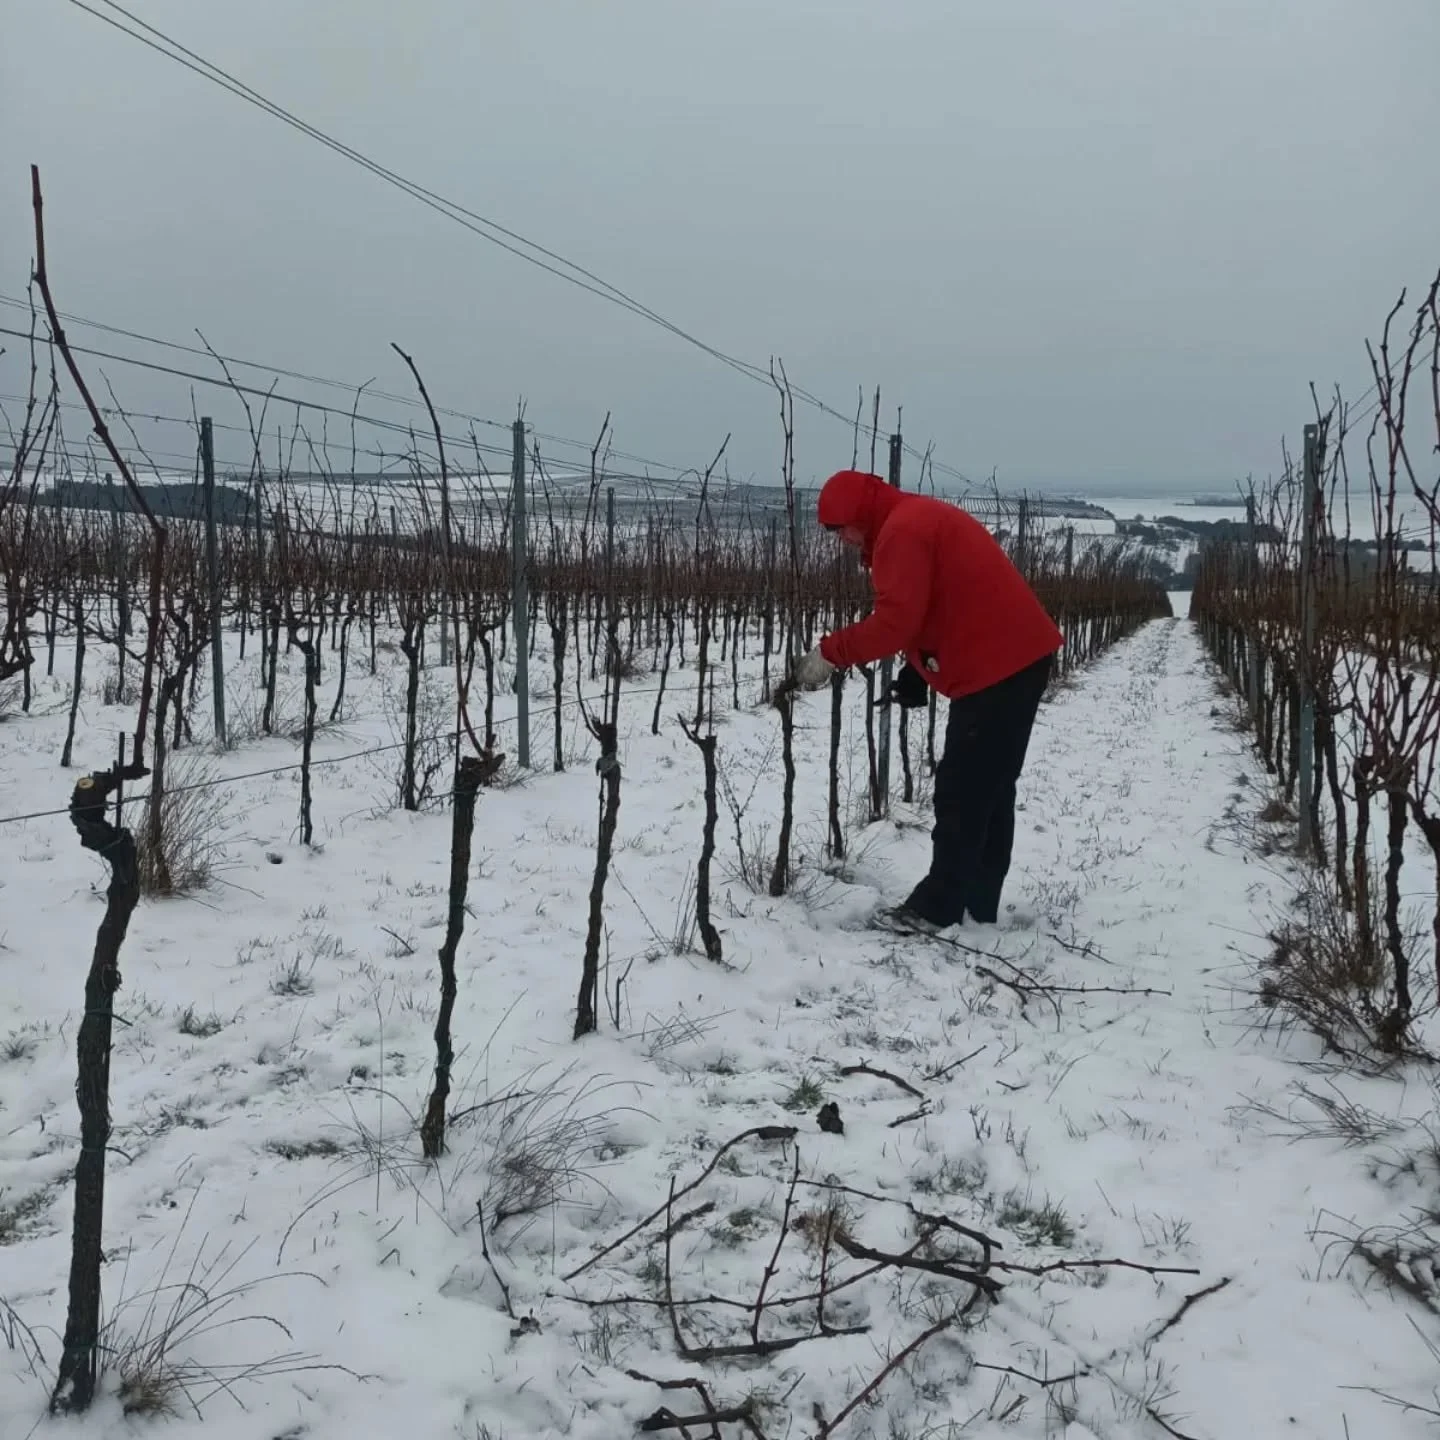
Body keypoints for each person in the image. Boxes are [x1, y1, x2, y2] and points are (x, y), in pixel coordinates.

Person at [791, 468, 1063, 935]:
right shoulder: (910, 519)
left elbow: (896, 622)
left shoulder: (902, 531)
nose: (843, 542)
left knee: (963, 789)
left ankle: (937, 908)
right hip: (1011, 659)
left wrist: (831, 652)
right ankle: (977, 906)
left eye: (841, 530)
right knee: (990, 788)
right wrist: (917, 673)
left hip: (998, 665)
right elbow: (939, 604)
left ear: (858, 515)